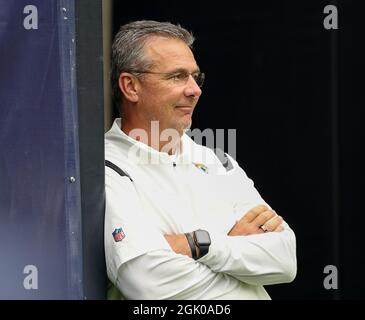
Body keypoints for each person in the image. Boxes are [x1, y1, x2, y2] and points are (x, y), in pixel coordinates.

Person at [104, 20, 297, 300]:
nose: (195, 90)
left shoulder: (217, 160)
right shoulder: (106, 168)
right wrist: (236, 257)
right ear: (130, 86)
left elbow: (285, 259)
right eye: (177, 76)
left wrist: (199, 245)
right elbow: (148, 283)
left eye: (196, 77)